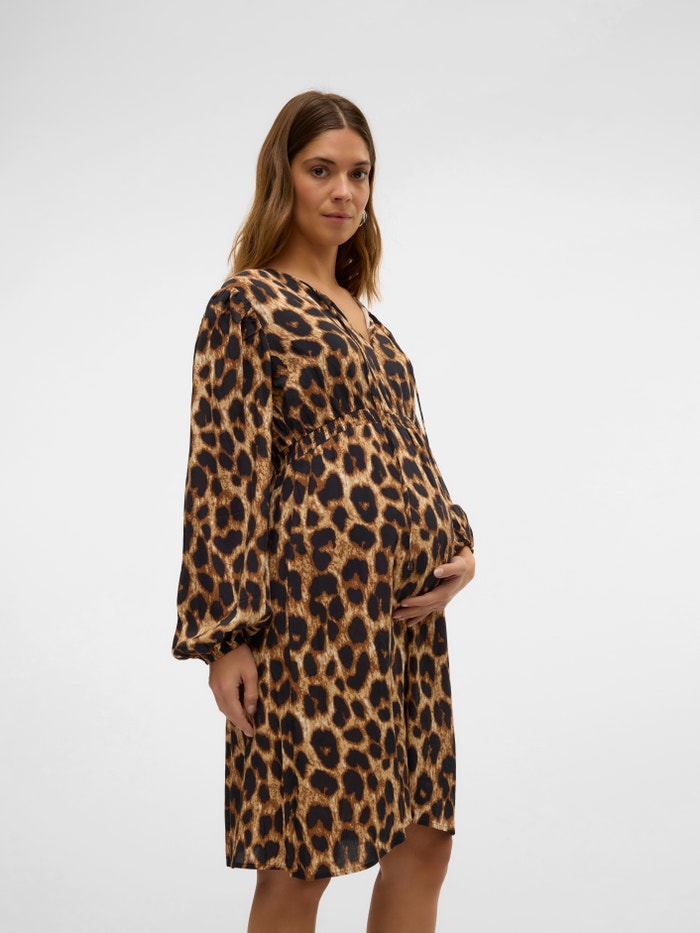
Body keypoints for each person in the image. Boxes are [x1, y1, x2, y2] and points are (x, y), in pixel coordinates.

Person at [172, 90, 476, 933]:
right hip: (312, 620)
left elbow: (407, 447)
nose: (345, 192)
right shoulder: (246, 305)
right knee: (302, 858)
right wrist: (226, 638)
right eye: (322, 170)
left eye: (360, 174)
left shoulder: (369, 322)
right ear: (284, 178)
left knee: (424, 836)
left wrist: (458, 547)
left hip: (406, 623)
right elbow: (222, 474)